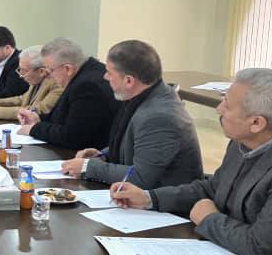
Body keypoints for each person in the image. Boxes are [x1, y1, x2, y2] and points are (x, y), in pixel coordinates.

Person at [111, 68, 272, 255]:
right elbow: (213, 188)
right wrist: (149, 198)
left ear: (256, 123)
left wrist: (209, 219)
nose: (218, 109)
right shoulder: (244, 139)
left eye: (227, 104)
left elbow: (265, 248)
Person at [60, 40, 203, 188]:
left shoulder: (159, 116)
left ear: (129, 81)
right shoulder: (144, 95)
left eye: (109, 73)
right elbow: (137, 144)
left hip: (165, 198)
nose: (105, 77)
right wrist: (103, 155)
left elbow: (140, 178)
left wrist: (87, 167)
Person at [17, 38, 118, 149]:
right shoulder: (84, 73)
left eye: (50, 70)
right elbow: (64, 117)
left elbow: (73, 136)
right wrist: (38, 119)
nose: (47, 75)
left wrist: (34, 129)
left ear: (68, 69)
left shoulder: (86, 86)